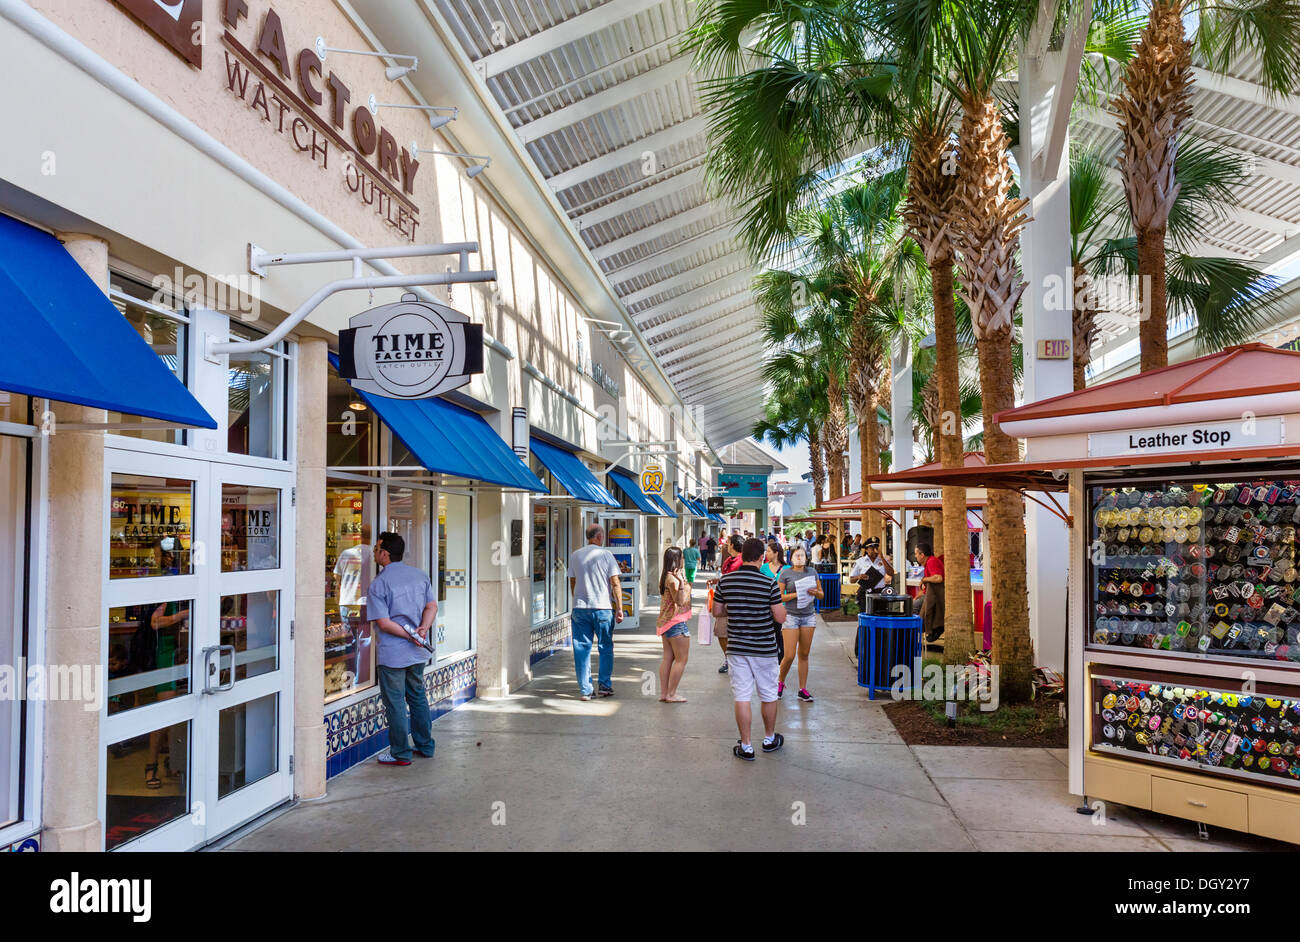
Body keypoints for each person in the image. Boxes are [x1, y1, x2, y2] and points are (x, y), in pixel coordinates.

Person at [713, 538, 787, 760]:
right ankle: (768, 738)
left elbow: (717, 611)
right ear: (761, 557)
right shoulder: (769, 583)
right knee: (768, 695)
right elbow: (780, 616)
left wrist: (736, 608)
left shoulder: (725, 581)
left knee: (742, 697)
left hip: (737, 648)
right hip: (764, 648)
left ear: (742, 555)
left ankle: (746, 746)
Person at [368, 531, 437, 766]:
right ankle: (425, 746)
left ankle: (401, 753)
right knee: (417, 697)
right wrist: (422, 630)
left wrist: (410, 637)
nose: (374, 553)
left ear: (385, 554)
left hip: (393, 654)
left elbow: (384, 623)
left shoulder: (379, 584)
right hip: (417, 651)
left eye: (376, 549)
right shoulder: (419, 576)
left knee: (396, 703)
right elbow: (431, 606)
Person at [568, 524, 625, 699]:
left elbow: (573, 581)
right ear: (599, 536)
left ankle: (586, 690)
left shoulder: (575, 555)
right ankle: (605, 686)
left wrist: (577, 599)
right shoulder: (606, 555)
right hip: (602, 607)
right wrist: (620, 608)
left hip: (580, 608)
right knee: (605, 647)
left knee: (581, 649)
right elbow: (615, 582)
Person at [777, 546, 822, 701]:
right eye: (797, 555)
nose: (799, 558)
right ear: (791, 558)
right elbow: (778, 596)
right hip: (791, 616)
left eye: (802, 555)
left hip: (808, 616)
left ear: (806, 557)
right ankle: (780, 682)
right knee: (789, 655)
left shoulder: (812, 572)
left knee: (804, 654)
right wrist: (796, 594)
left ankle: (802, 689)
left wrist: (816, 593)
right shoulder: (785, 573)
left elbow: (821, 594)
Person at [656, 546, 692, 703]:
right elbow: (680, 600)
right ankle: (671, 694)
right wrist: (682, 583)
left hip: (666, 622)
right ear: (677, 560)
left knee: (667, 658)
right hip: (676, 622)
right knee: (681, 660)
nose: (683, 559)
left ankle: (665, 694)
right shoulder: (673, 579)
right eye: (681, 557)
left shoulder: (666, 576)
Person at [710, 534, 745, 673]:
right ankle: (729, 658)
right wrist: (717, 581)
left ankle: (737, 661)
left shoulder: (742, 561)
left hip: (737, 602)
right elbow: (725, 578)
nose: (726, 544)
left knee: (736, 634)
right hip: (724, 600)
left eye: (728, 542)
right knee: (721, 632)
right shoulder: (728, 560)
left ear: (733, 545)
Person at [849, 536, 895, 612]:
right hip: (866, 594)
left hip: (880, 593)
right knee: (867, 617)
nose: (875, 550)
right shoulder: (860, 561)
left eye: (876, 547)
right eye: (872, 548)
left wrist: (882, 558)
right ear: (866, 549)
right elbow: (851, 580)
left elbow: (891, 573)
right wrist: (858, 577)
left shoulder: (884, 560)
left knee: (880, 617)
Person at [916, 542, 945, 643]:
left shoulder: (932, 561)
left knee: (913, 608)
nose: (915, 556)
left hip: (938, 597)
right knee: (913, 604)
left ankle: (926, 629)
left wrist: (924, 580)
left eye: (916, 554)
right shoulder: (928, 563)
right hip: (928, 595)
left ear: (922, 555)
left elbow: (938, 578)